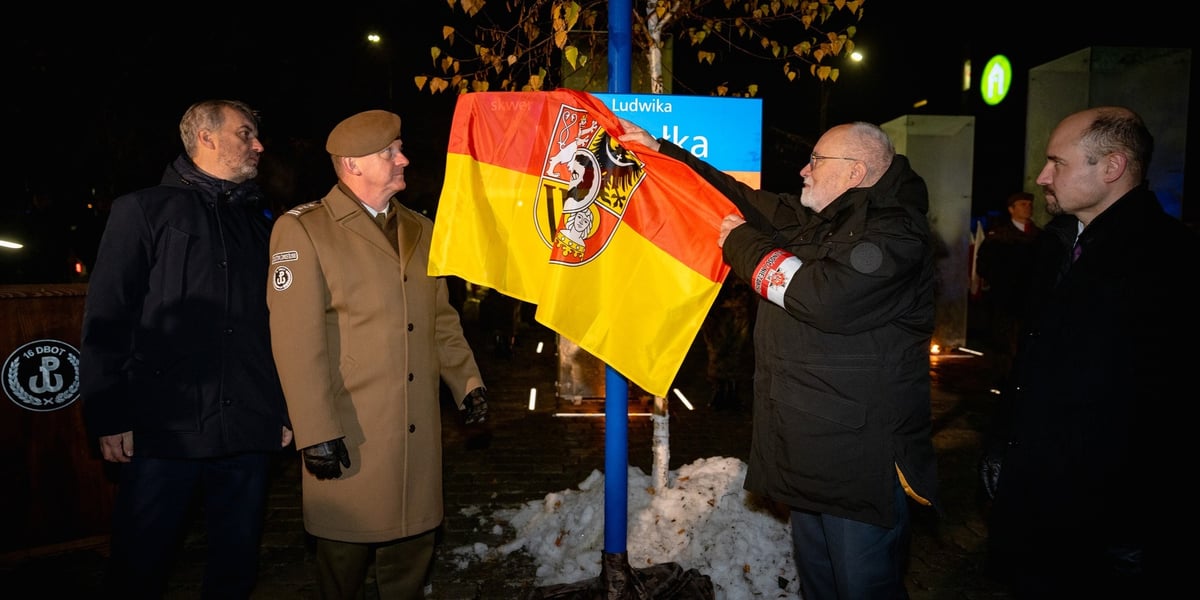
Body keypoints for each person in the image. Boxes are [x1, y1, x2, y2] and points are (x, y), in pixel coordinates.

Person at [619, 119, 940, 600]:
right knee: (820, 584)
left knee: (862, 586)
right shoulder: (827, 215)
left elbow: (823, 296)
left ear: (855, 171)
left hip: (860, 462)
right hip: (814, 450)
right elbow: (742, 200)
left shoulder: (896, 232)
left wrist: (742, 244)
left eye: (817, 160)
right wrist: (663, 150)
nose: (803, 169)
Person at [266, 109, 489, 599]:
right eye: (389, 153)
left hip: (415, 432)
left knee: (412, 556)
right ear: (352, 165)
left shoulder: (419, 229)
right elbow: (295, 341)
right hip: (351, 432)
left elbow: (440, 319)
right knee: (343, 562)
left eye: (400, 148)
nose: (403, 159)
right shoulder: (304, 230)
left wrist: (466, 382)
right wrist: (315, 431)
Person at [979, 106, 1197, 598]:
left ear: (1113, 167)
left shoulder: (1169, 261)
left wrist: (1138, 526)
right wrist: (1003, 444)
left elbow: (1168, 406)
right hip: (1039, 506)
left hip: (1108, 528)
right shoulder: (1057, 245)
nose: (1041, 177)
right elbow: (1031, 363)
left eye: (1057, 163)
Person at [79, 99, 293, 598]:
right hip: (163, 431)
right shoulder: (143, 210)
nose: (258, 145)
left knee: (235, 566)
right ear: (206, 137)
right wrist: (108, 415)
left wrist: (282, 407)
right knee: (140, 564)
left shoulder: (264, 223)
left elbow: (279, 325)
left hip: (246, 426)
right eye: (246, 134)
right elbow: (108, 318)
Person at [974, 191, 1042, 387]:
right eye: (1022, 204)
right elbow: (985, 265)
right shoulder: (999, 237)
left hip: (1030, 300)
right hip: (1005, 300)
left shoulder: (1040, 237)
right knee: (1003, 342)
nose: (1027, 207)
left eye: (1029, 204)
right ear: (1011, 209)